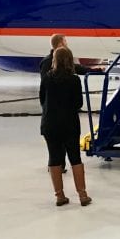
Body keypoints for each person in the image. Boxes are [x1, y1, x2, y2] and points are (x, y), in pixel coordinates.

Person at [39, 47, 90, 207]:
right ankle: (82, 195)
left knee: (54, 158)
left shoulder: (47, 78)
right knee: (75, 157)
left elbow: (42, 99)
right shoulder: (74, 80)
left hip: (50, 124)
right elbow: (78, 103)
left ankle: (59, 196)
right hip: (69, 124)